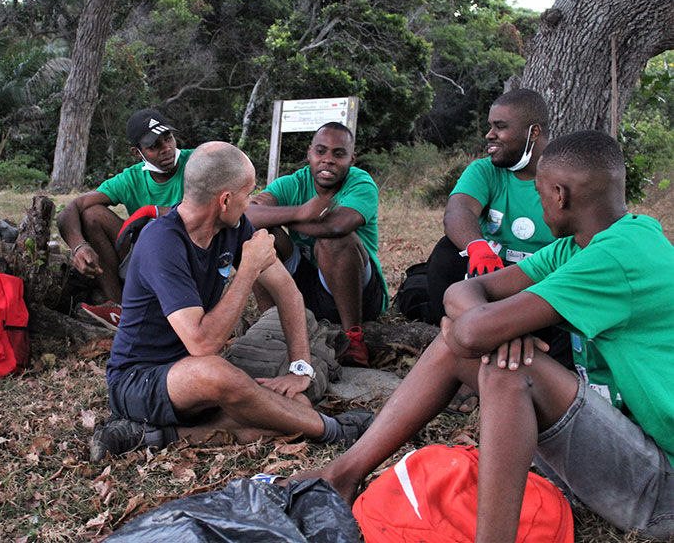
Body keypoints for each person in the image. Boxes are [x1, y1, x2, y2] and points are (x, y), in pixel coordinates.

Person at [291, 131, 674, 542]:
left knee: (508, 369)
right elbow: (468, 290)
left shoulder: (614, 258)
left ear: (559, 195)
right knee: (471, 346)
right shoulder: (585, 245)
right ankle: (342, 475)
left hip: (660, 493)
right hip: (625, 449)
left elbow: (474, 329)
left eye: (539, 192)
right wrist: (493, 328)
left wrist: (489, 329)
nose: (538, 202)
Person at [90, 142, 374, 462]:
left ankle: (154, 436)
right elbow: (202, 344)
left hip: (193, 375)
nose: (251, 202)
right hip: (138, 380)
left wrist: (299, 368)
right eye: (247, 193)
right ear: (225, 200)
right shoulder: (161, 243)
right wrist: (248, 269)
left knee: (294, 409)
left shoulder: (233, 227)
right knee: (219, 374)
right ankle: (334, 431)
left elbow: (288, 293)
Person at [426, 89, 570, 413]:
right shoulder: (486, 171)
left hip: (544, 284)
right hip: (490, 276)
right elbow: (458, 210)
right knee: (446, 256)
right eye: (490, 126)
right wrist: (478, 247)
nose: (490, 135)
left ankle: (534, 371)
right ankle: (464, 357)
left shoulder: (563, 175)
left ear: (533, 131)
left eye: (500, 127)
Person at [244, 122, 387, 367]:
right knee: (256, 235)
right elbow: (247, 215)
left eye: (338, 154)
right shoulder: (293, 183)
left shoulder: (361, 183)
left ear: (351, 159)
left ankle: (353, 337)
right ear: (309, 153)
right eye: (321, 151)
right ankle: (269, 324)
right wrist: (302, 211)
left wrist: (292, 217)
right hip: (305, 285)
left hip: (358, 292)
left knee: (333, 241)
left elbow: (337, 226)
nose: (328, 160)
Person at [57, 108, 193, 330]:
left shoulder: (197, 162)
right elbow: (71, 208)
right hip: (146, 257)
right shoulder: (131, 178)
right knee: (92, 215)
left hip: (189, 257)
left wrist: (156, 211)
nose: (166, 149)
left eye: (168, 138)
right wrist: (79, 247)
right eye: (154, 146)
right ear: (137, 153)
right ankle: (121, 308)